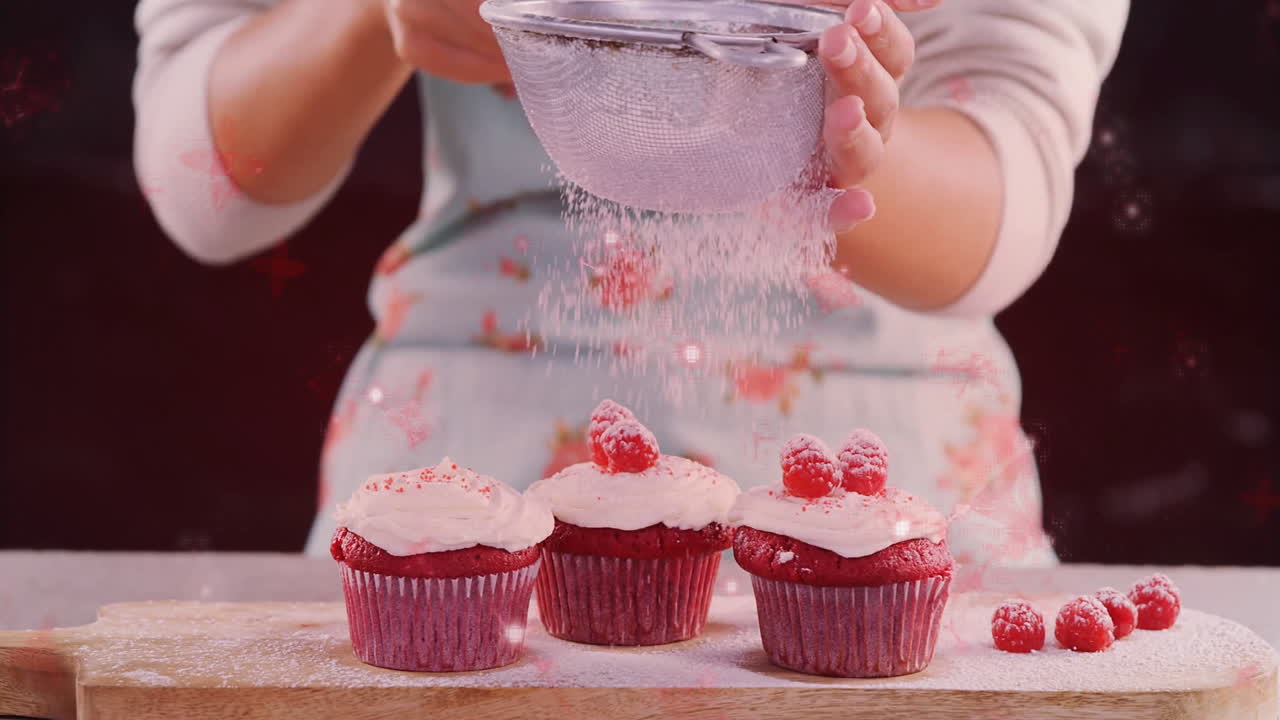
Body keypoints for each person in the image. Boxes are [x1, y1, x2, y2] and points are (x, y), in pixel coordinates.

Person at [133, 0, 1129, 565]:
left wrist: (821, 140)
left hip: (895, 497)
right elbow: (206, 190)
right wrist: (371, 14)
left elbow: (1011, 181)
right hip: (460, 478)